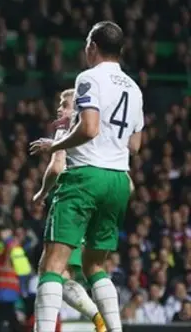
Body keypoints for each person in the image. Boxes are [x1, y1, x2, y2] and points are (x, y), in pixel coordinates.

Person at [30, 21, 144, 332]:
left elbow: (90, 127)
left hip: (85, 178)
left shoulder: (88, 78)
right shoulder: (134, 88)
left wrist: (55, 144)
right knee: (96, 265)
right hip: (119, 180)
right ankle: (113, 328)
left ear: (92, 46)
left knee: (52, 265)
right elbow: (135, 145)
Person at [32, 89, 107, 332]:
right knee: (62, 274)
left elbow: (56, 167)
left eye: (64, 104)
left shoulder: (67, 128)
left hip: (71, 202)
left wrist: (42, 193)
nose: (59, 109)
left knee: (49, 270)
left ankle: (44, 329)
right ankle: (98, 319)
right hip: (94, 202)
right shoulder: (98, 128)